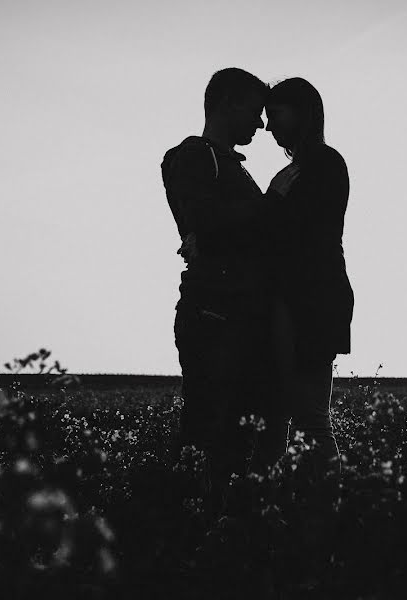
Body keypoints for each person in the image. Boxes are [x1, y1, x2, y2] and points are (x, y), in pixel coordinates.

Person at [161, 68, 298, 514]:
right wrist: (271, 204)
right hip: (214, 316)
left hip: (234, 317)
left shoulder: (226, 167)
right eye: (255, 113)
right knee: (208, 431)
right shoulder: (194, 156)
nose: (261, 126)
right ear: (227, 104)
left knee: (237, 436)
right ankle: (190, 533)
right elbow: (206, 222)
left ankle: (219, 529)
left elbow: (217, 230)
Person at [264, 77, 354, 483]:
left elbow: (298, 236)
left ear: (303, 112)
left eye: (275, 115)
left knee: (311, 418)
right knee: (291, 415)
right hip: (303, 300)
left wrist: (270, 203)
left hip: (314, 302)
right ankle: (299, 506)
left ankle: (328, 510)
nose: (268, 128)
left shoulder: (323, 164)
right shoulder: (299, 170)